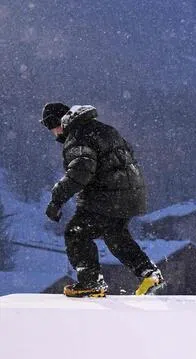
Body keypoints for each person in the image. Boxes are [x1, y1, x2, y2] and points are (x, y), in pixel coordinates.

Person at [41, 102, 164, 298]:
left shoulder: (78, 136)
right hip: (130, 195)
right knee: (115, 235)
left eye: (52, 127)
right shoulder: (103, 129)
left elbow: (80, 172)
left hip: (105, 196)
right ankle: (149, 273)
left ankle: (91, 282)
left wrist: (56, 200)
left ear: (60, 123)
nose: (54, 134)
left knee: (76, 233)